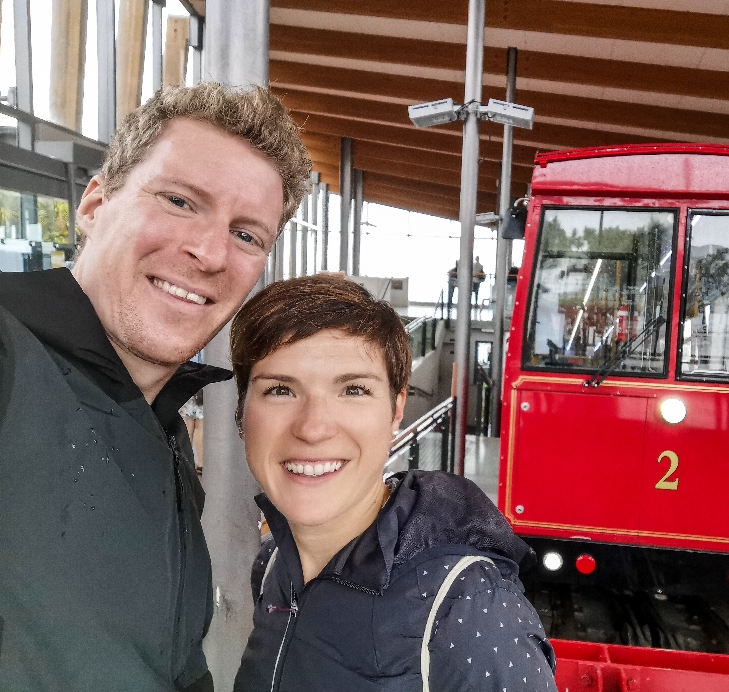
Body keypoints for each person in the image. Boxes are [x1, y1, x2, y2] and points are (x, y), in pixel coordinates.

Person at [0, 83, 312, 691]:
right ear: (93, 204)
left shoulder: (162, 435)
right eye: (179, 200)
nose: (210, 251)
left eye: (247, 234)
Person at [230, 274, 556, 691]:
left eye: (352, 390)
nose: (312, 428)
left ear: (397, 409)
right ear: (242, 413)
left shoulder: (467, 608)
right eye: (279, 390)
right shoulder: (274, 563)